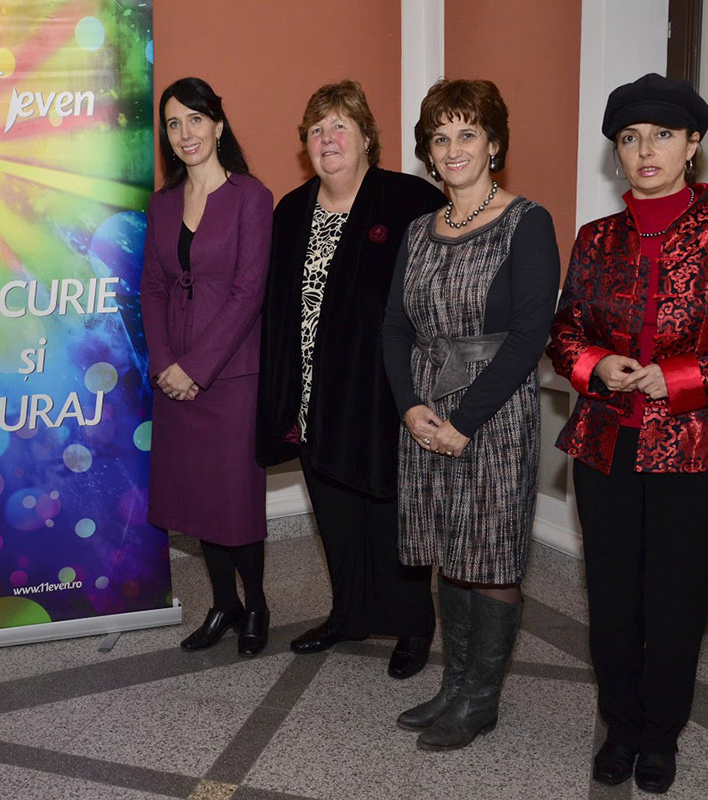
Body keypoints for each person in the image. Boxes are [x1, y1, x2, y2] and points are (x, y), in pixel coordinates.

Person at [548, 73, 708, 794]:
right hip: (605, 447)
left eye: (661, 135)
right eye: (630, 137)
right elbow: (564, 335)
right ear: (617, 152)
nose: (645, 150)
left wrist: (679, 379)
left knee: (676, 604)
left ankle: (660, 737)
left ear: (692, 144)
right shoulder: (595, 239)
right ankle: (620, 727)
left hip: (699, 452)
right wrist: (597, 365)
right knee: (612, 600)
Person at [381, 79, 559, 749]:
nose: (453, 148)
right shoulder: (417, 231)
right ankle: (453, 684)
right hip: (426, 413)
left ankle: (480, 700)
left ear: (494, 144)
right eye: (440, 137)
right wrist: (411, 407)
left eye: (467, 133)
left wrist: (464, 422)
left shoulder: (526, 222)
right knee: (447, 552)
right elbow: (395, 327)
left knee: (491, 557)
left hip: (494, 416)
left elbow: (529, 336)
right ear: (428, 152)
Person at [257, 80, 443, 679]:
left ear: (366, 138)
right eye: (316, 130)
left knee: (390, 514)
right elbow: (278, 309)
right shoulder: (292, 211)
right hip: (311, 395)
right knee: (334, 512)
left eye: (340, 126)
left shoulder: (410, 200)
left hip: (383, 393)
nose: (328, 139)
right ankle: (349, 614)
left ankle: (413, 624)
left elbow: (434, 299)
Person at [141, 78, 273, 657]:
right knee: (196, 499)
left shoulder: (252, 197)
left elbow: (249, 293)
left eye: (195, 119)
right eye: (173, 124)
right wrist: (165, 364)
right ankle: (224, 604)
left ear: (218, 125)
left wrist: (195, 368)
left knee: (232, 498)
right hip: (172, 376)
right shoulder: (162, 204)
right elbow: (151, 288)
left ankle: (257, 605)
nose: (185, 133)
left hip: (231, 376)